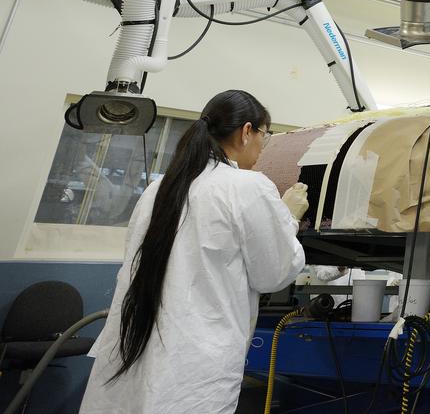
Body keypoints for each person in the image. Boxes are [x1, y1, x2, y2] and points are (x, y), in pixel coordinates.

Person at [81, 90, 309, 414]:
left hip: (133, 351)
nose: (263, 146)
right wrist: (289, 218)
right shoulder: (248, 186)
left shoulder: (158, 189)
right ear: (247, 132)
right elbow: (274, 273)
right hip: (193, 367)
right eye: (264, 136)